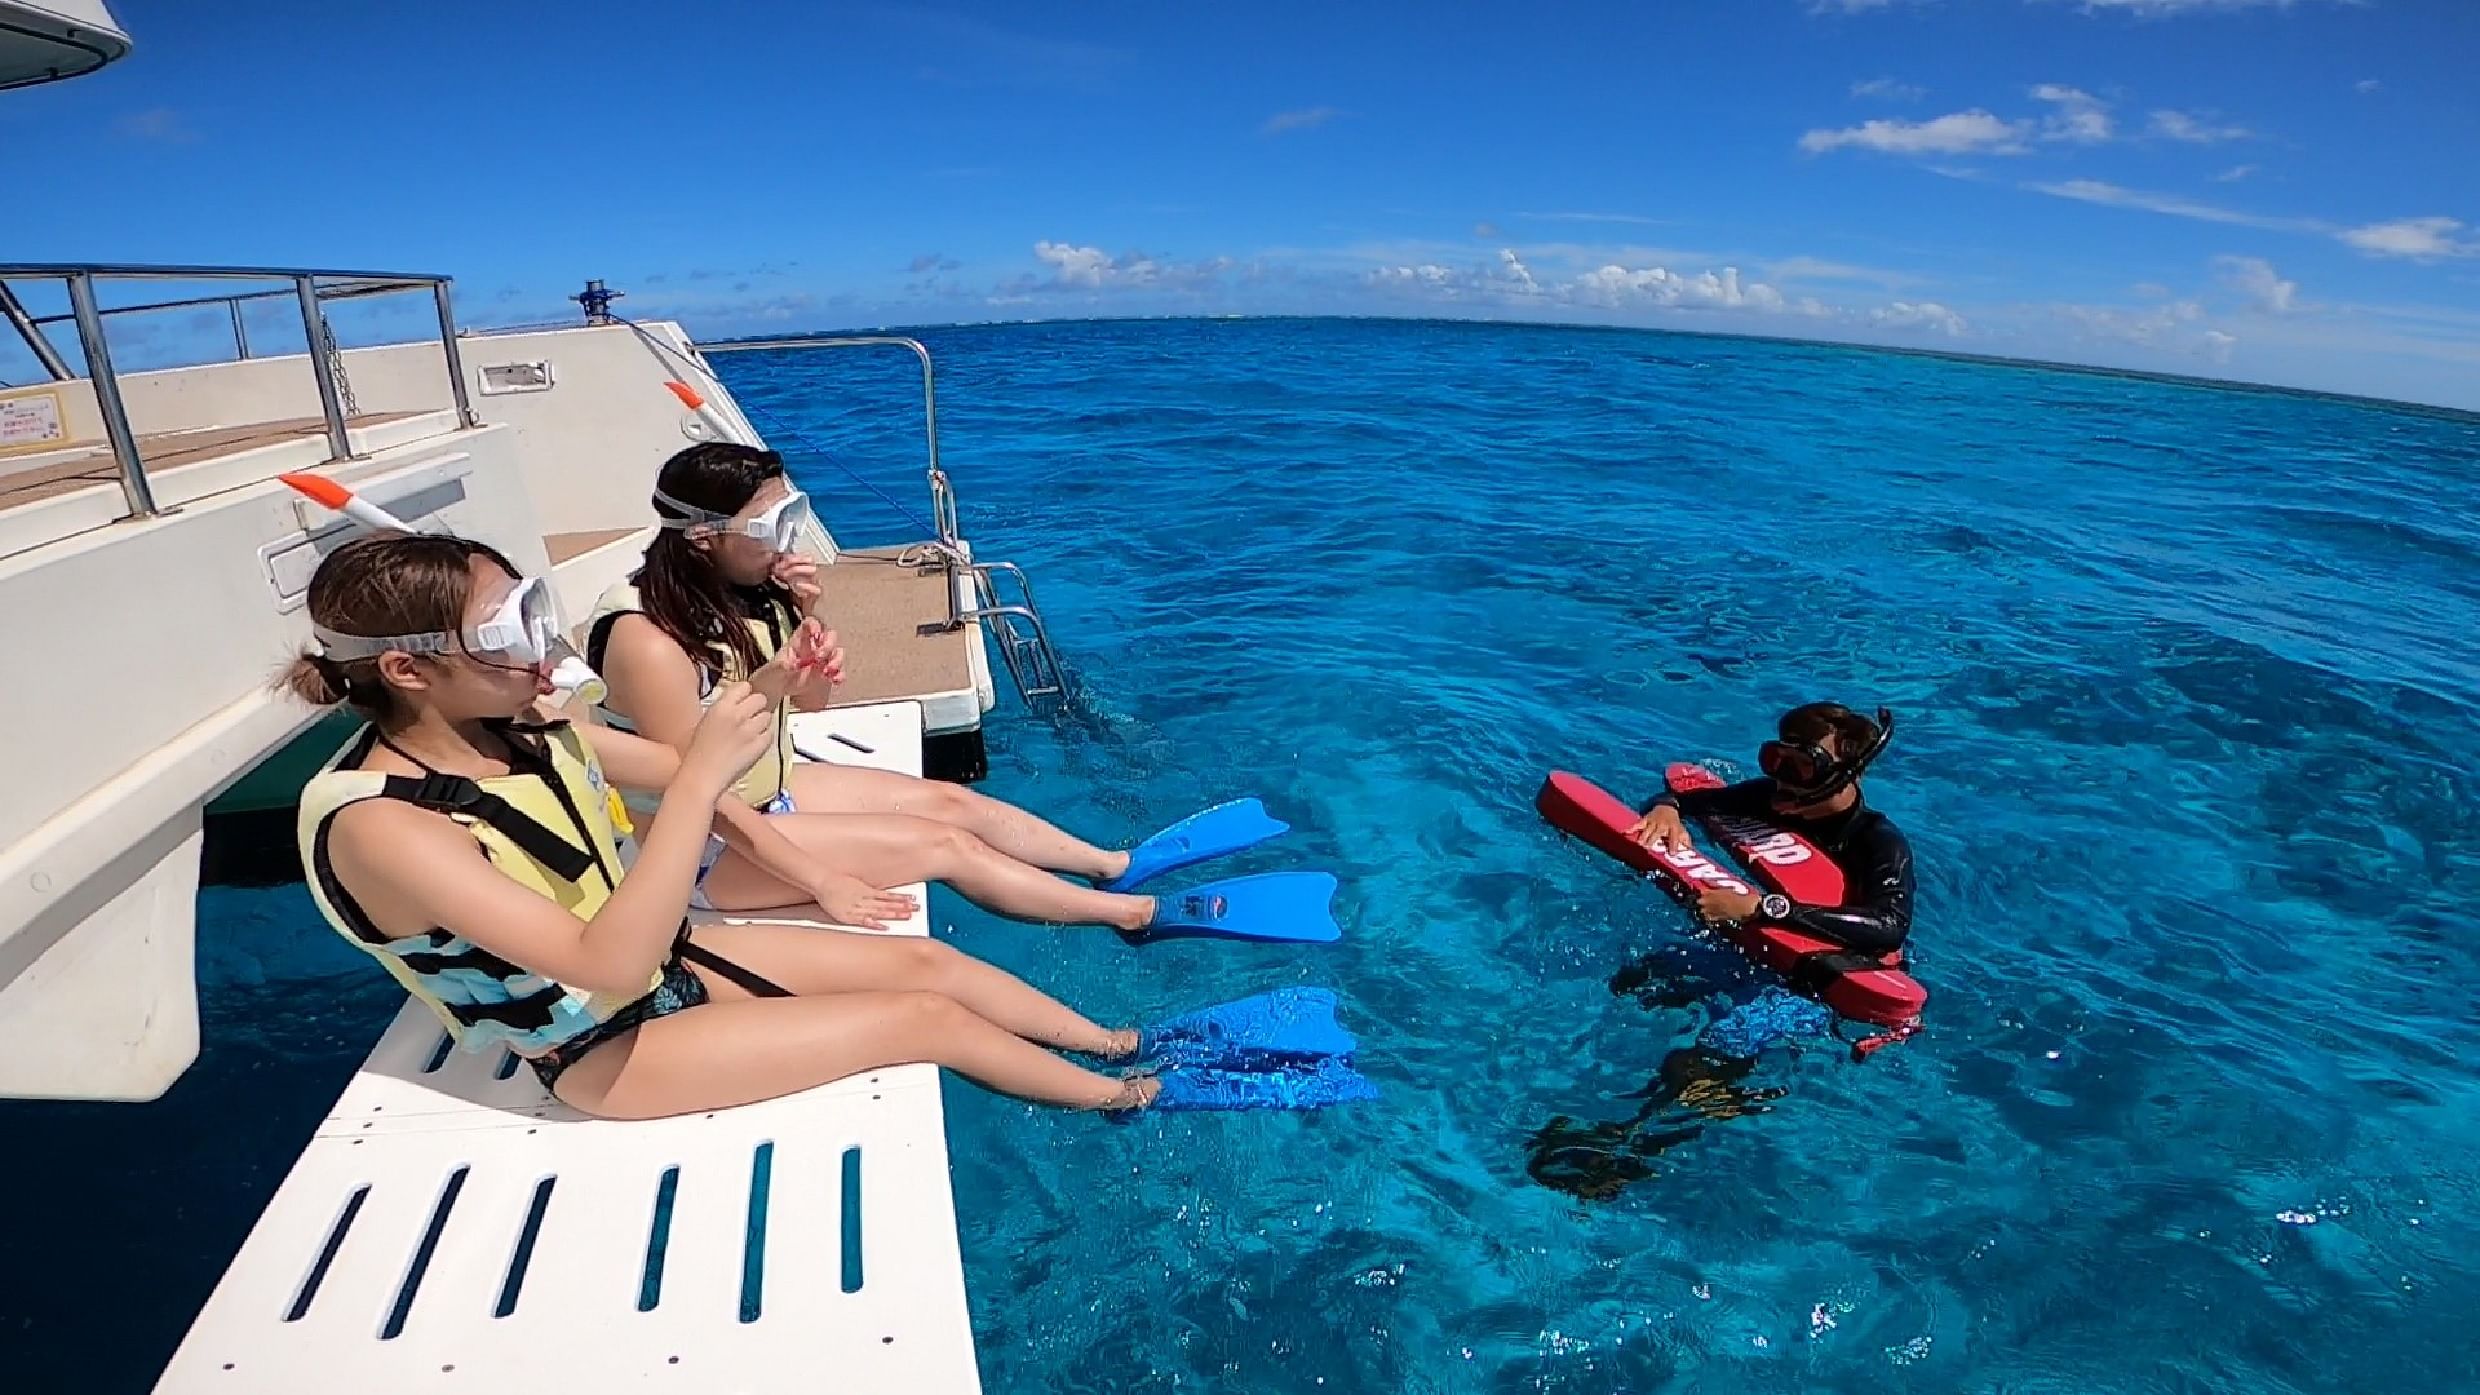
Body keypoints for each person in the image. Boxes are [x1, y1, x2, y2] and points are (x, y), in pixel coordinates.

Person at [281, 531, 1372, 1119]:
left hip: (670, 964)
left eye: (533, 609)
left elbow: (715, 764)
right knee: (921, 1024)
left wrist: (779, 686)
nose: (541, 644)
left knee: (932, 969)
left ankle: (1119, 1040)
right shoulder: (385, 827)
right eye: (507, 626)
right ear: (407, 667)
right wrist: (702, 779)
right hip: (598, 1043)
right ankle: (1131, 1096)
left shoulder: (527, 732)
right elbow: (602, 958)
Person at [584, 442, 1319, 943]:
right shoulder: (647, 643)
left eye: (793, 515)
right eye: (770, 524)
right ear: (703, 536)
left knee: (952, 799)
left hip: (769, 791)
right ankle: (1131, 914)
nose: (789, 539)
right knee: (945, 846)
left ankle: (1113, 862)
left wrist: (807, 634)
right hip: (700, 852)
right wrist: (822, 880)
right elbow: (697, 796)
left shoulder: (752, 589)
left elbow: (804, 710)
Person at [1526, 703, 1911, 1198]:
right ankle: (1715, 1092)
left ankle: (1630, 1154)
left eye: (1802, 766)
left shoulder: (1879, 842)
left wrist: (1762, 909)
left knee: (1698, 1062)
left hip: (1818, 987)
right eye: (1776, 760)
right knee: (1642, 979)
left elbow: (1889, 926)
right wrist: (1667, 808)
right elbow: (1701, 801)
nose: (1782, 781)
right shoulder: (1771, 797)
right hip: (1762, 955)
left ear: (1845, 774)